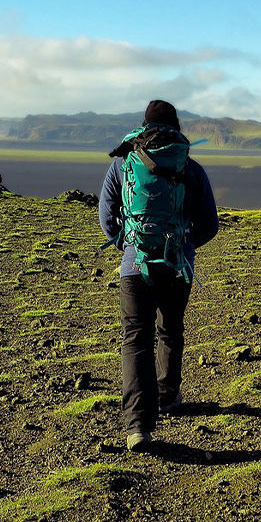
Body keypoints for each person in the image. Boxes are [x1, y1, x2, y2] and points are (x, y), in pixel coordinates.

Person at [99, 100, 219, 452]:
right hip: (177, 267)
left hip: (134, 268)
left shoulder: (123, 165)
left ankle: (138, 426)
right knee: (170, 329)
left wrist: (130, 245)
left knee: (136, 339)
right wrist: (184, 245)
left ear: (143, 125)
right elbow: (210, 224)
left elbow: (107, 219)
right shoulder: (191, 168)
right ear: (177, 126)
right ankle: (168, 395)